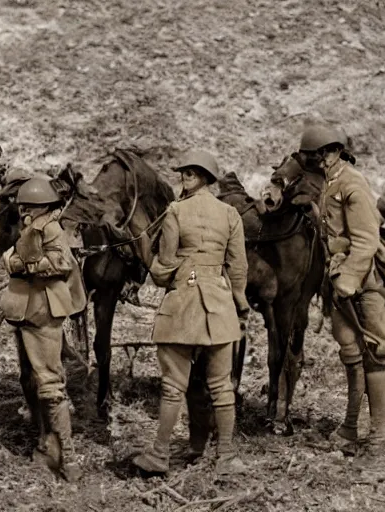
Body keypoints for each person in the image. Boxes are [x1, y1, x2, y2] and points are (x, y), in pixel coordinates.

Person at [133, 150, 249, 475]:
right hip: (218, 307)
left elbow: (165, 267)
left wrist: (152, 262)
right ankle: (226, 457)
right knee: (222, 387)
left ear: (198, 177)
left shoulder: (175, 211)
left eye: (187, 173)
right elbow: (238, 268)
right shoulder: (230, 214)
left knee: (173, 387)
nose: (183, 177)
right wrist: (237, 300)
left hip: (183, 304)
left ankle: (159, 455)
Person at [300, 124, 385, 457]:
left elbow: (365, 240)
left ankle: (379, 435)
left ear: (332, 153)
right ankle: (349, 426)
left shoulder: (352, 184)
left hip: (366, 283)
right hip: (342, 279)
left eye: (318, 158)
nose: (316, 165)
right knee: (350, 350)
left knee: (374, 354)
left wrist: (348, 281)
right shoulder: (331, 183)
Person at [0, 175, 82, 479]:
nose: (23, 212)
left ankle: (68, 459)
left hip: (42, 309)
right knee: (34, 378)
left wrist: (24, 265)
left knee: (49, 383)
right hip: (26, 309)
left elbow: (62, 263)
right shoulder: (34, 227)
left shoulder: (50, 228)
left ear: (37, 207)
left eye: (26, 207)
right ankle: (47, 444)